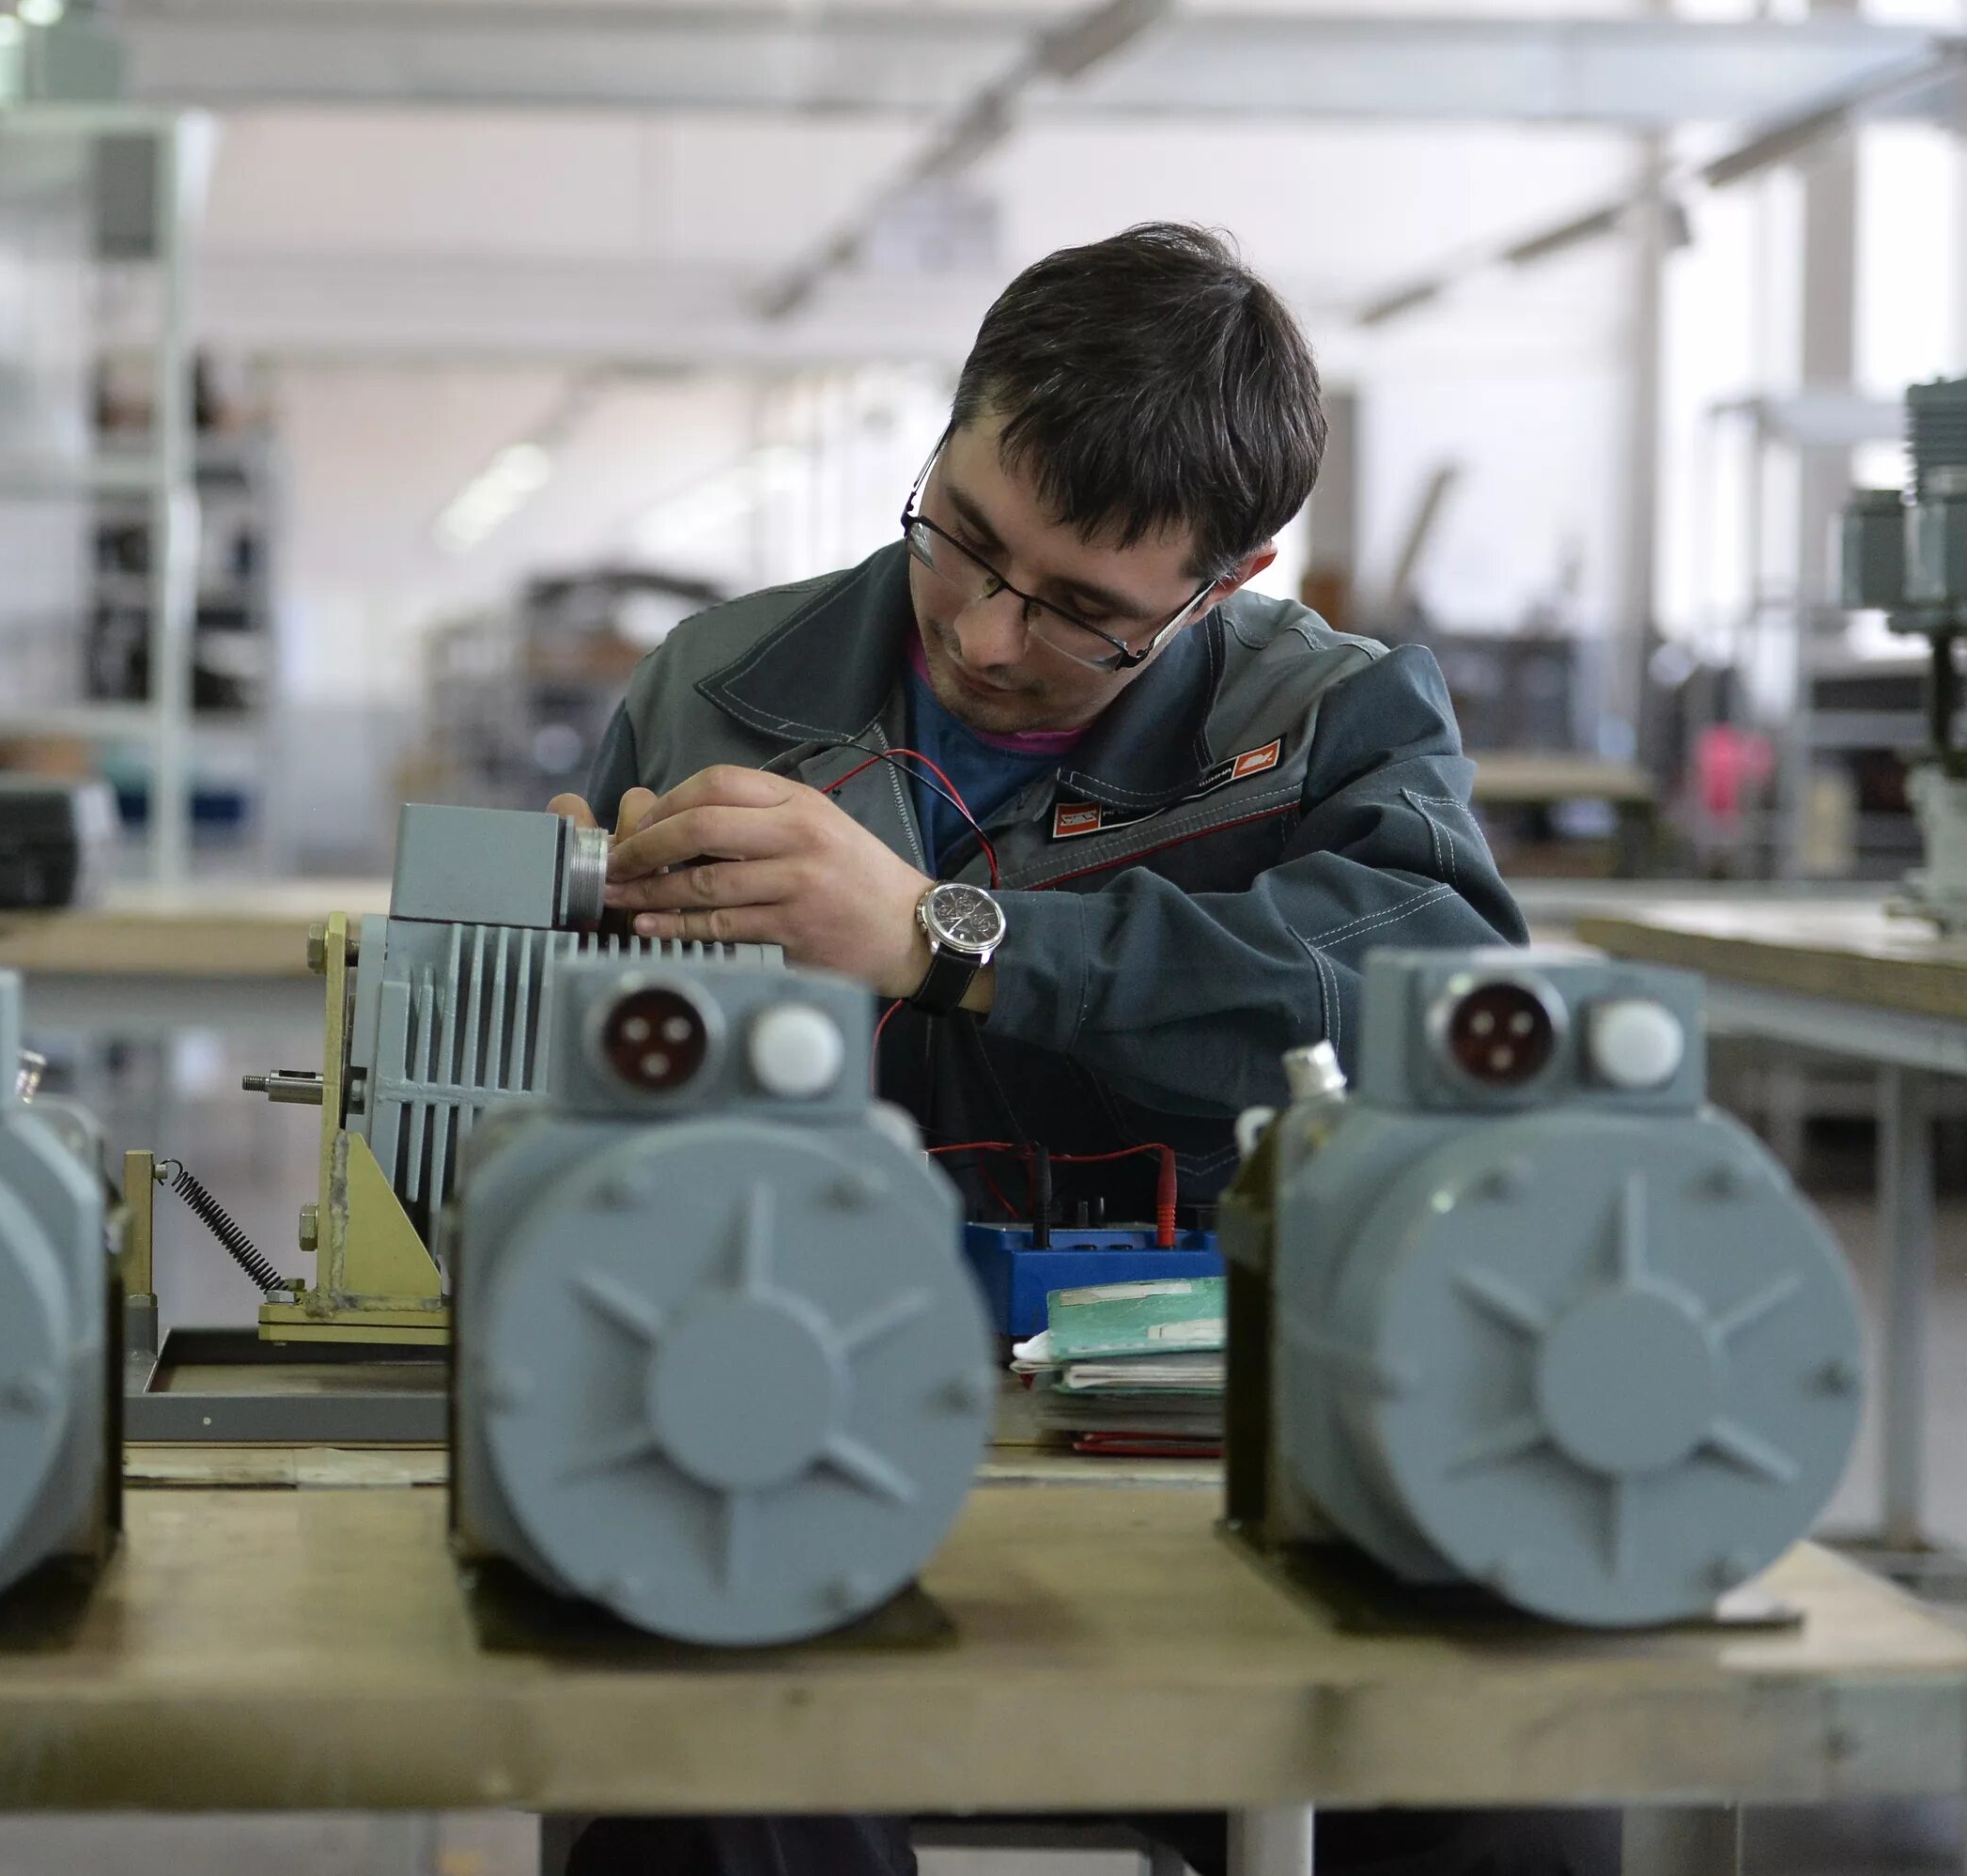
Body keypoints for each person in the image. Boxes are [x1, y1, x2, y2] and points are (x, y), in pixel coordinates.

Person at [549, 225, 1613, 1876]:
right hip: (762, 1435)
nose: (982, 633)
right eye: (964, 539)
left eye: (1084, 613)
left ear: (1229, 581)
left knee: (1505, 1778)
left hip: (1218, 1490)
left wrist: (947, 940)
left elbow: (1436, 1012)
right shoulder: (716, 692)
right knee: (710, 1778)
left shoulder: (1336, 725)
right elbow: (538, 1093)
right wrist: (554, 948)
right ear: (951, 423)